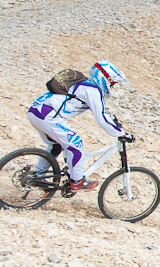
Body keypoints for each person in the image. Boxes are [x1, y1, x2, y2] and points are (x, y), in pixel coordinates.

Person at [27, 61, 131, 192]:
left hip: (36, 111)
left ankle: (38, 176)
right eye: (113, 83)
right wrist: (122, 134)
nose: (113, 86)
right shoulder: (93, 90)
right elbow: (102, 118)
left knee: (56, 145)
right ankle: (77, 181)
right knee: (76, 144)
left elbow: (102, 113)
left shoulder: (84, 85)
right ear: (105, 78)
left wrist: (113, 121)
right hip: (48, 116)